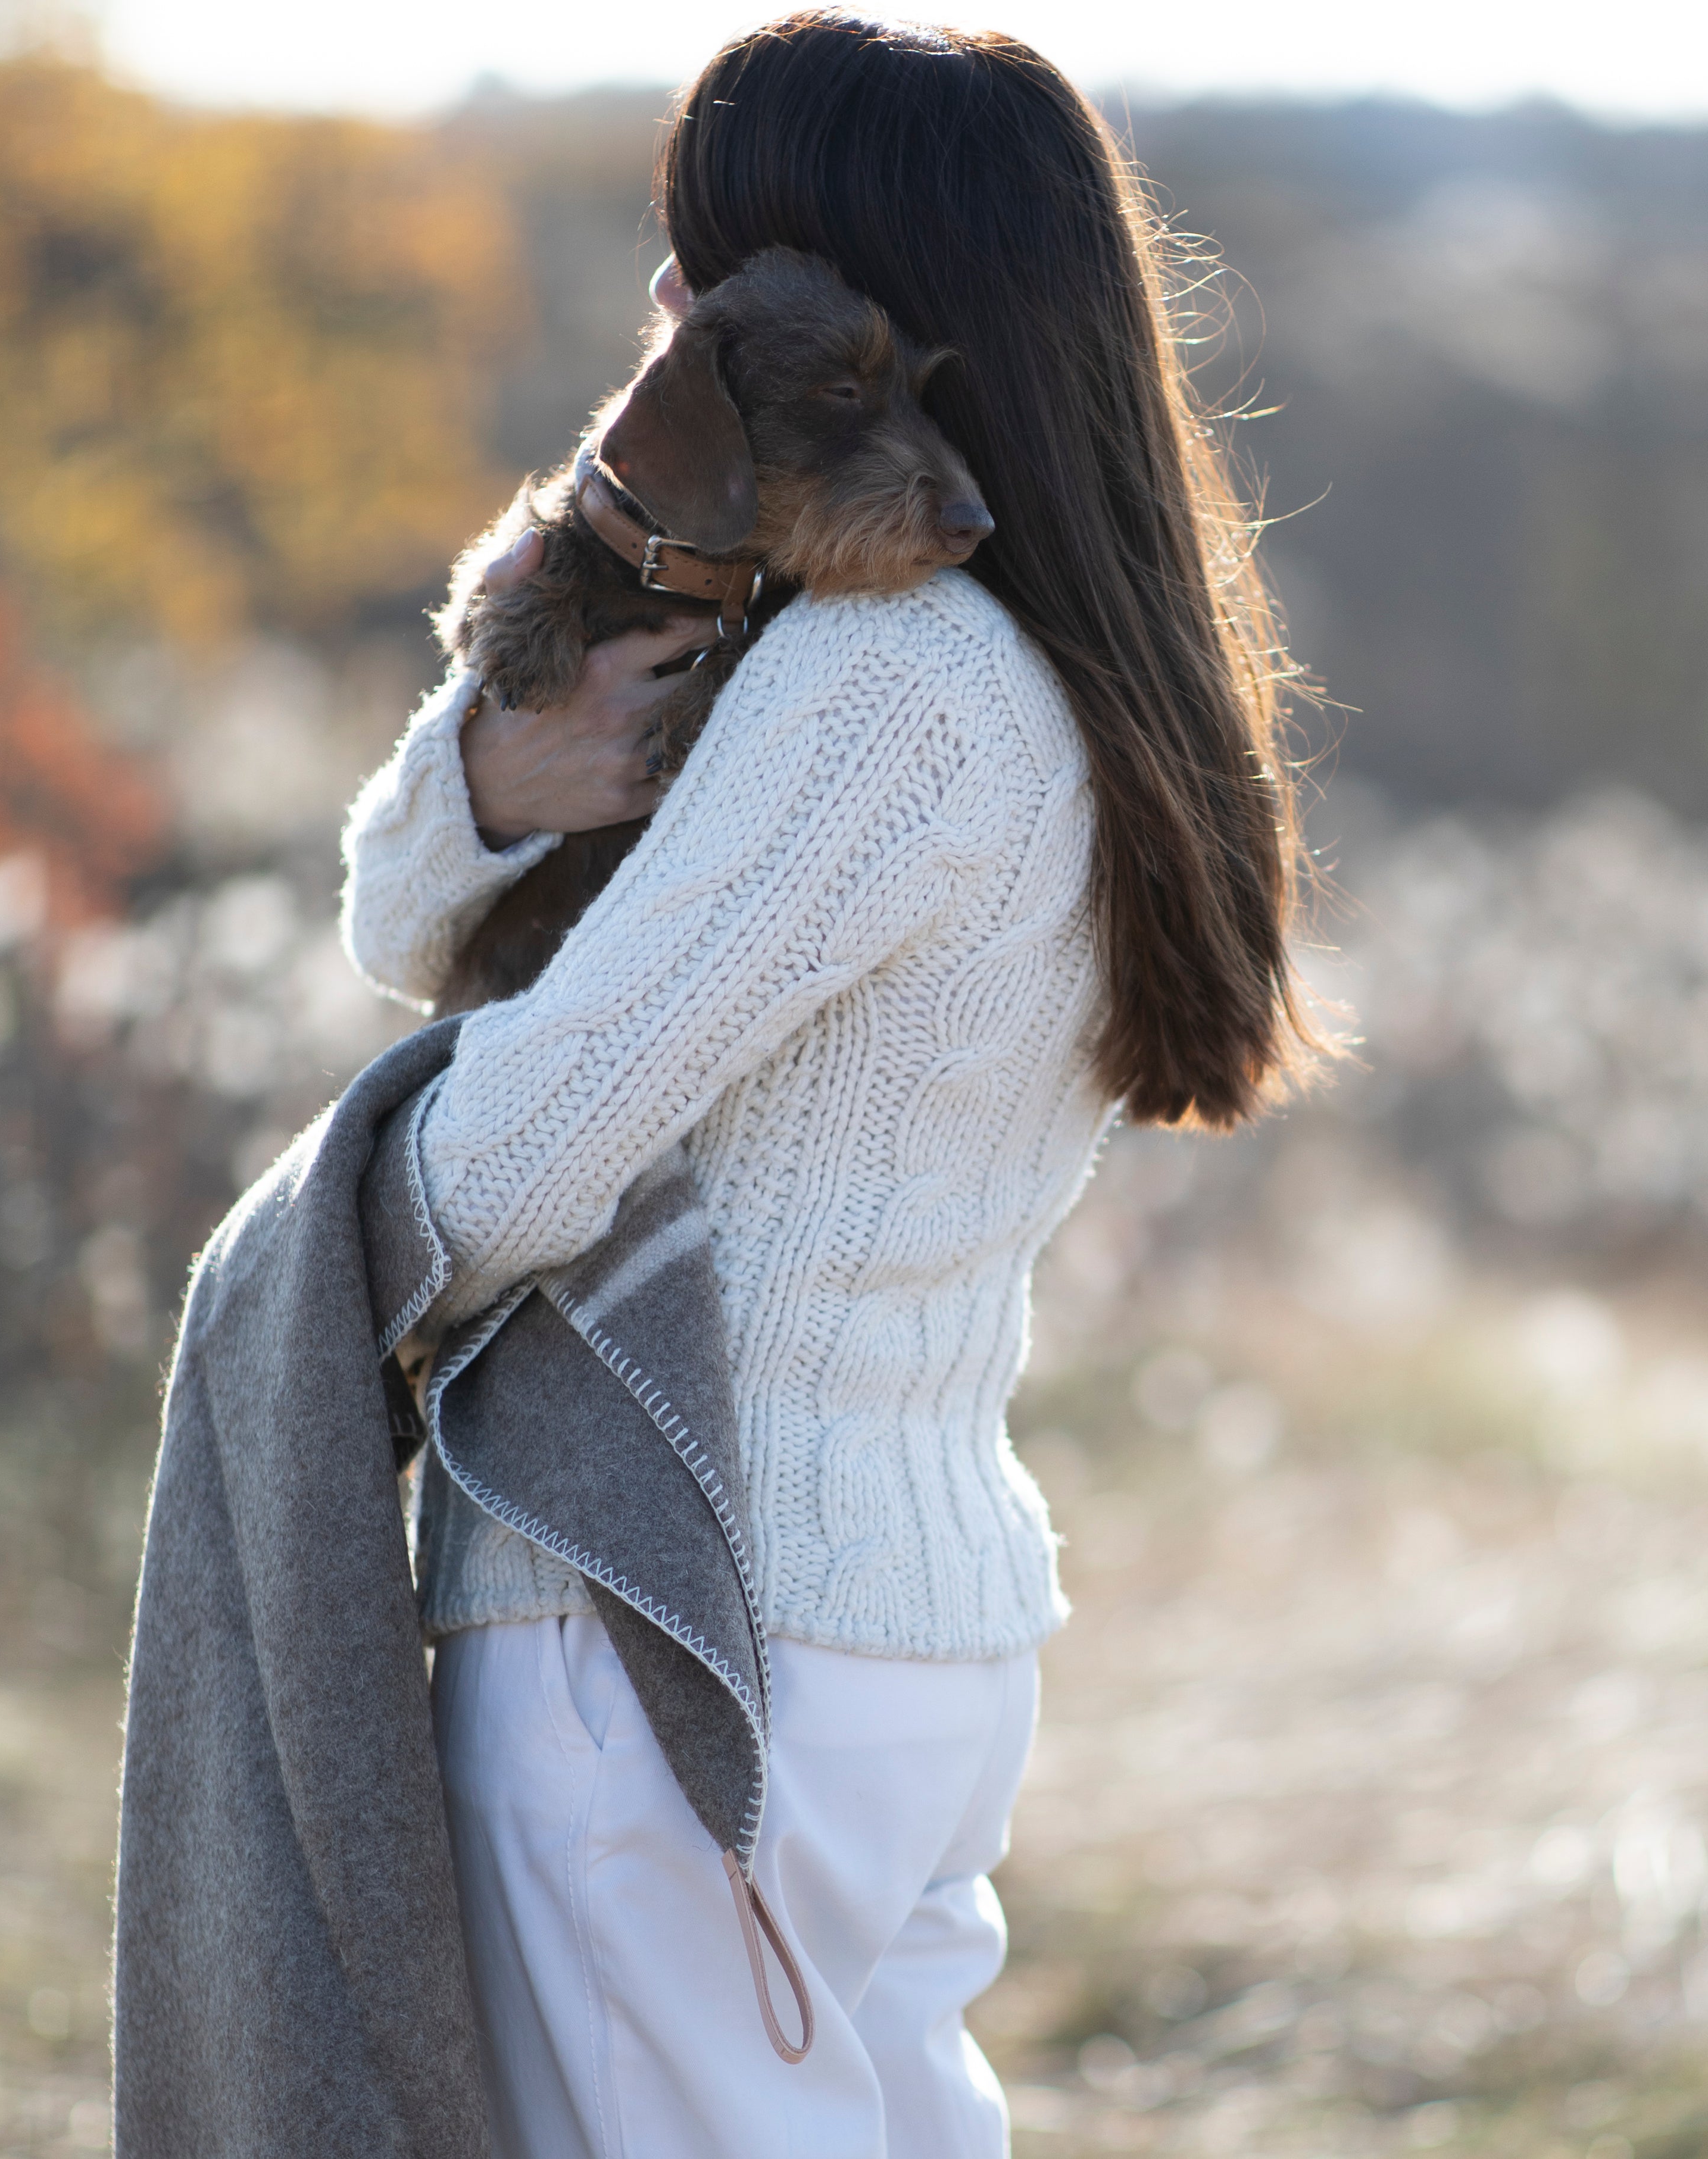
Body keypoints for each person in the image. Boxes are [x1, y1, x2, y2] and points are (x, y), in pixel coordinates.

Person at [339, 13, 1319, 2155]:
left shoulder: (879, 693)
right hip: (903, 1647)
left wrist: (306, 1226)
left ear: (830, 301)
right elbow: (408, 923)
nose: (664, 322)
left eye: (695, 269)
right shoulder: (1049, 679)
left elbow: (513, 1150)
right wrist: (493, 778)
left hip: (670, 1637)